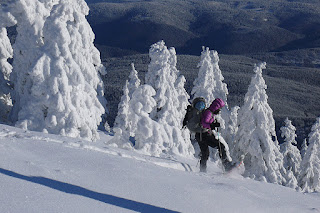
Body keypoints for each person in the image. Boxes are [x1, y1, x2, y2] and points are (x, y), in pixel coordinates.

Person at [195, 98, 234, 172]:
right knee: (220, 146)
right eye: (219, 108)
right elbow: (203, 123)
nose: (219, 110)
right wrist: (212, 125)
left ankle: (202, 171)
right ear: (216, 107)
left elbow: (206, 122)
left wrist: (213, 123)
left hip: (201, 135)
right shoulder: (208, 112)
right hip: (204, 135)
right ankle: (227, 166)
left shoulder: (210, 113)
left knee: (205, 154)